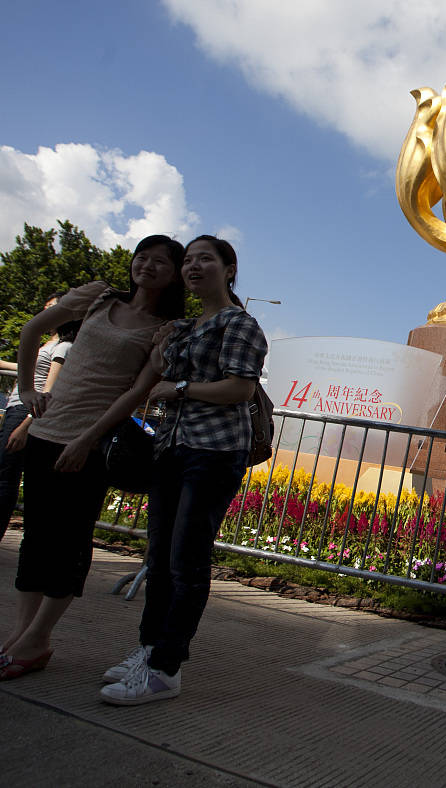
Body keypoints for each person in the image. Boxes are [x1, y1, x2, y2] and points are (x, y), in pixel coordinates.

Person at [0, 236, 186, 679]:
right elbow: (31, 331)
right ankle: (22, 638)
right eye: (143, 256)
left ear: (175, 274)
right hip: (46, 431)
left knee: (69, 540)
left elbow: (138, 392)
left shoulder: (166, 327)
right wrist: (27, 392)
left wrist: (87, 439)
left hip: (93, 442)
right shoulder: (99, 296)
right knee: (36, 537)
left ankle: (39, 637)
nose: (148, 265)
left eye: (162, 261)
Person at [100, 235, 267, 705]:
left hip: (212, 453)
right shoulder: (187, 326)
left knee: (187, 562)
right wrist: (161, 350)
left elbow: (238, 389)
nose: (193, 267)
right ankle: (149, 650)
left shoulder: (240, 324)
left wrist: (180, 389)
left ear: (229, 269)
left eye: (206, 259)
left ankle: (165, 669)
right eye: (188, 260)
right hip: (171, 447)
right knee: (159, 559)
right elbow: (157, 374)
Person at [0, 293, 81, 541]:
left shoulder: (64, 346)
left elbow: (50, 391)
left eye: (52, 308)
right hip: (17, 410)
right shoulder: (50, 342)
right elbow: (30, 367)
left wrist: (26, 425)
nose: (46, 312)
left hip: (25, 414)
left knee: (5, 477)